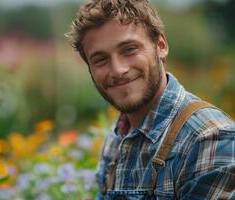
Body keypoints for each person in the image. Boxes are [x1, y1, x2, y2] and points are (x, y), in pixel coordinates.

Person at [66, 0, 235, 199]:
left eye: (129, 49)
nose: (118, 69)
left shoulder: (209, 138)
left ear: (161, 46)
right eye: (100, 59)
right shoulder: (116, 140)